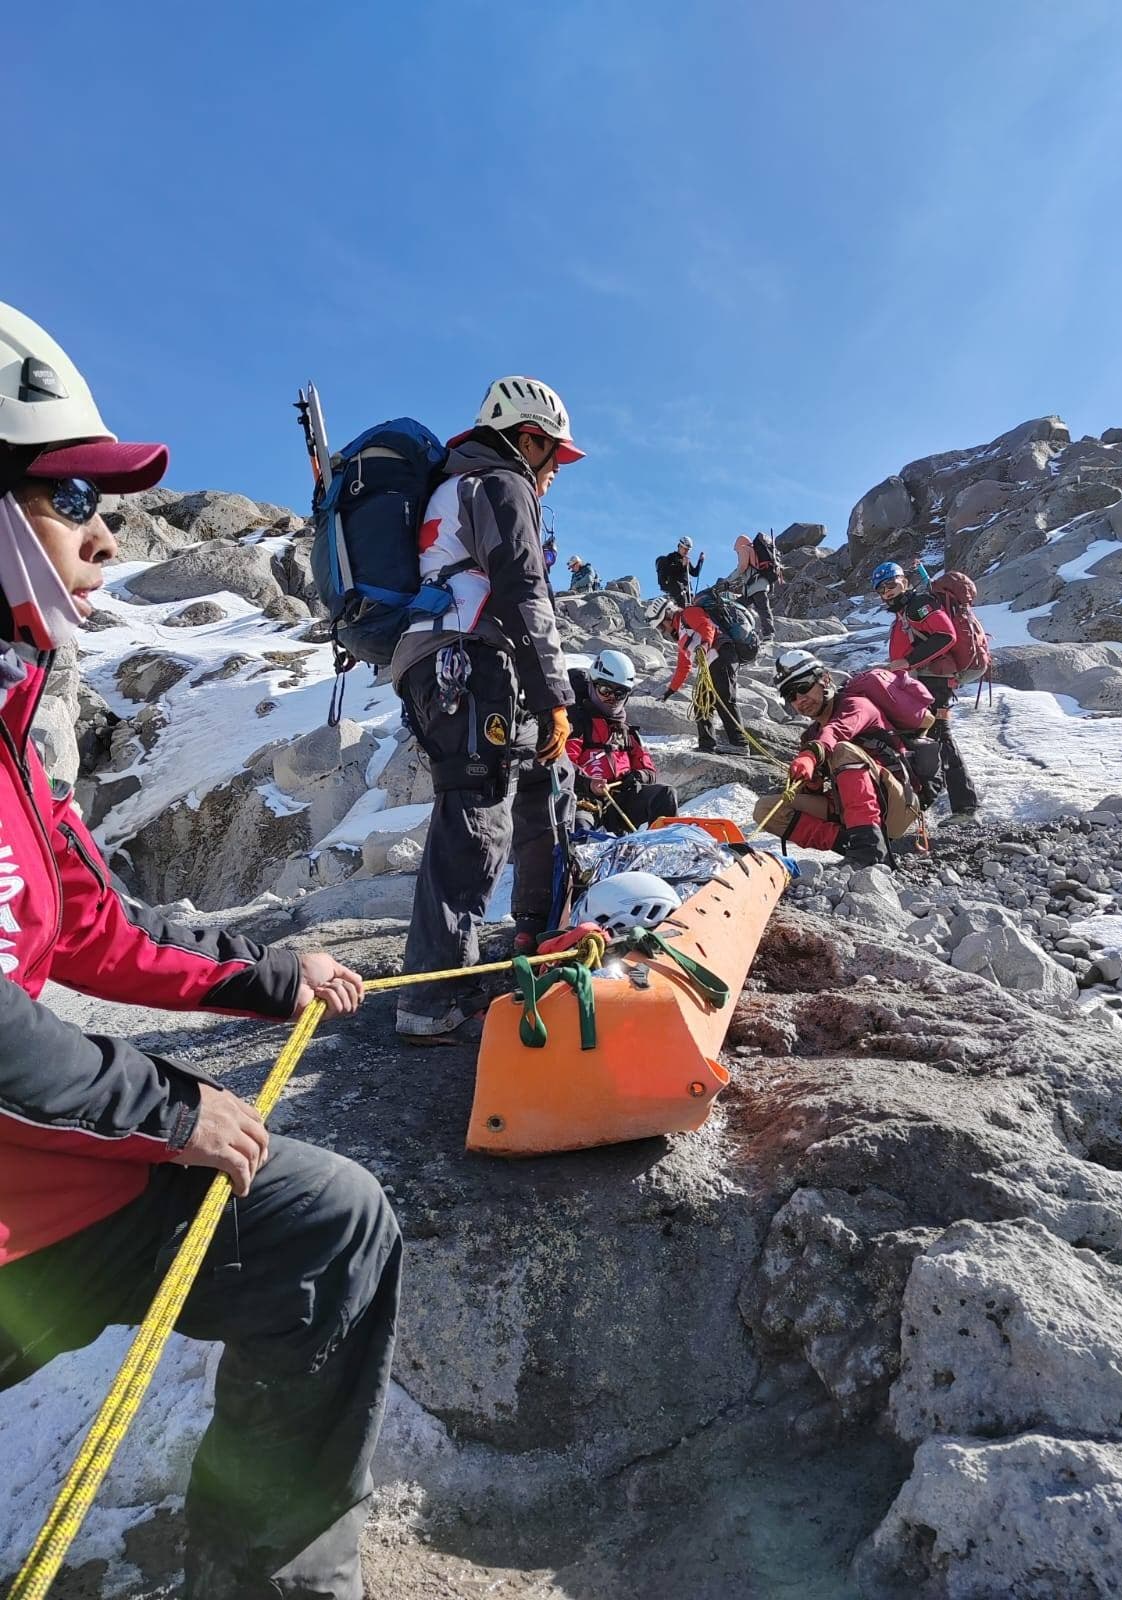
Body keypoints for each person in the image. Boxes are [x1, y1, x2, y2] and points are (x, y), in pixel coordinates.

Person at [0, 302, 400, 1600]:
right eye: (68, 493)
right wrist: (170, 1107)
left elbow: (96, 923)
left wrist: (265, 975)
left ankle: (255, 1576)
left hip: (33, 1207)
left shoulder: (11, 728)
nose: (105, 531)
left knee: (329, 1224)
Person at [390, 375, 583, 1025]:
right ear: (529, 440)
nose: (557, 470)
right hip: (468, 662)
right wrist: (555, 694)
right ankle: (432, 997)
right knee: (475, 818)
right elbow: (524, 589)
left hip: (442, 665)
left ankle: (537, 931)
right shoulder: (503, 483)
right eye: (555, 454)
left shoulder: (458, 482)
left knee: (540, 783)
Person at [752, 647, 926, 867]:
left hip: (896, 804)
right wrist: (811, 783)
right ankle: (850, 846)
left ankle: (870, 851)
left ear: (824, 680)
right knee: (766, 809)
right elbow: (812, 785)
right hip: (847, 810)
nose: (800, 699)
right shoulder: (811, 735)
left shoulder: (856, 705)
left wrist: (811, 756)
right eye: (790, 695)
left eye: (803, 688)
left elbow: (836, 732)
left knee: (844, 750)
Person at [871, 561, 979, 819]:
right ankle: (934, 804)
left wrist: (907, 662)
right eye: (881, 589)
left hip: (934, 683)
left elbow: (946, 635)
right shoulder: (905, 612)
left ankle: (964, 808)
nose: (886, 592)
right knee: (926, 739)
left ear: (904, 582)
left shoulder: (918, 605)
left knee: (940, 739)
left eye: (891, 584)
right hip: (924, 682)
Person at [566, 650, 678, 834]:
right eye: (605, 690)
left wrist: (637, 777)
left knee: (665, 795)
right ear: (592, 686)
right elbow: (563, 766)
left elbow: (649, 770)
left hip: (621, 799)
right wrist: (588, 783)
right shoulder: (576, 723)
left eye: (620, 693)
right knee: (581, 830)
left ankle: (662, 849)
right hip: (585, 801)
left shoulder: (625, 730)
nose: (612, 698)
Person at [645, 596, 748, 755]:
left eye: (660, 626)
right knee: (701, 702)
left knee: (724, 697)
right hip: (711, 663)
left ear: (667, 615)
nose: (663, 631)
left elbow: (707, 626)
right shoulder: (681, 636)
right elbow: (683, 666)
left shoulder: (689, 613)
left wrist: (705, 645)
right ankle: (706, 745)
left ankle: (740, 744)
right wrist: (670, 691)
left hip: (724, 654)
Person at [734, 531, 780, 640]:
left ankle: (768, 634)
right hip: (756, 587)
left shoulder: (745, 549)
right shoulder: (754, 551)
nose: (737, 552)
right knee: (738, 607)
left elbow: (742, 567)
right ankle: (752, 633)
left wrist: (728, 580)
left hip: (756, 587)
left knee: (762, 609)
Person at [656, 535, 704, 607]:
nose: (686, 551)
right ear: (679, 546)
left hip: (688, 592)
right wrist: (682, 565)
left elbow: (695, 573)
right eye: (684, 548)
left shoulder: (685, 560)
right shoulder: (671, 557)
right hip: (677, 592)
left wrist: (701, 561)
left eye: (688, 550)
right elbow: (669, 571)